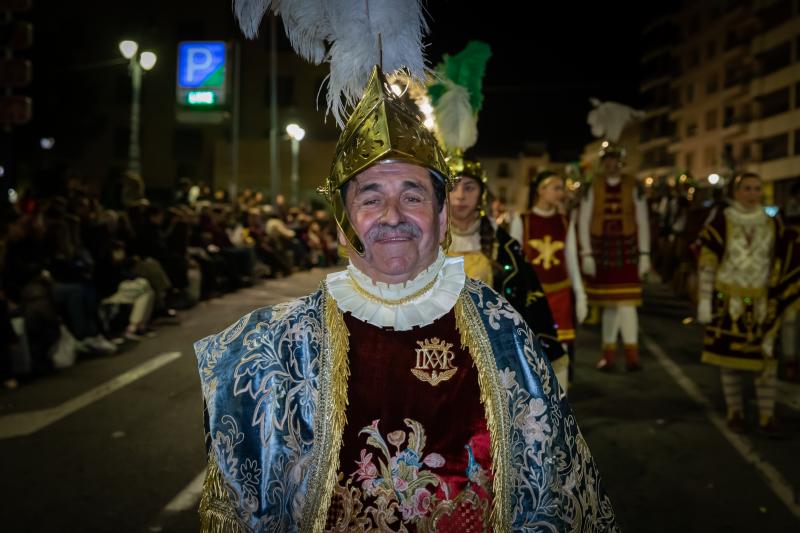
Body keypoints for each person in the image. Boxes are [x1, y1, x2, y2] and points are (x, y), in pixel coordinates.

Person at [193, 22, 618, 528]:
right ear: (343, 222)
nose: (392, 215)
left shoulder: (502, 328)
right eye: (370, 198)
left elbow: (554, 496)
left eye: (412, 196)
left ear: (442, 218)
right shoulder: (271, 348)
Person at [448, 157, 569, 388]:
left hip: (492, 352)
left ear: (482, 195)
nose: (460, 195)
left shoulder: (505, 248)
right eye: (453, 187)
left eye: (469, 187)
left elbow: (528, 300)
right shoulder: (424, 240)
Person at [696, 173, 799, 435]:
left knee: (766, 360)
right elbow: (708, 262)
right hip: (728, 301)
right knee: (729, 360)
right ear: (736, 192)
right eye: (747, 189)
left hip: (763, 302)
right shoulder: (722, 221)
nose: (753, 194)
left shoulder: (773, 222)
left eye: (757, 188)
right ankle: (735, 412)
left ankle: (767, 416)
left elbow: (787, 256)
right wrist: (704, 301)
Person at [578, 142, 651, 371]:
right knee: (609, 304)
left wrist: (645, 253)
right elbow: (584, 219)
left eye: (615, 159)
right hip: (601, 248)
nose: (611, 164)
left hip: (626, 248)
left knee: (628, 303)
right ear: (603, 162)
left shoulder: (633, 185)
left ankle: (632, 356)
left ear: (621, 162)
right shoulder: (592, 186)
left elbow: (642, 220)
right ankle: (608, 356)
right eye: (607, 160)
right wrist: (587, 252)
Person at [514, 170, 588, 384]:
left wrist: (580, 296)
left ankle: (561, 398)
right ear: (541, 190)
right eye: (556, 188)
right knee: (530, 348)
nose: (561, 193)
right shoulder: (523, 221)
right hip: (532, 298)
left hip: (560, 296)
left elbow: (571, 261)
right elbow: (515, 265)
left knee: (560, 350)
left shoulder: (565, 222)